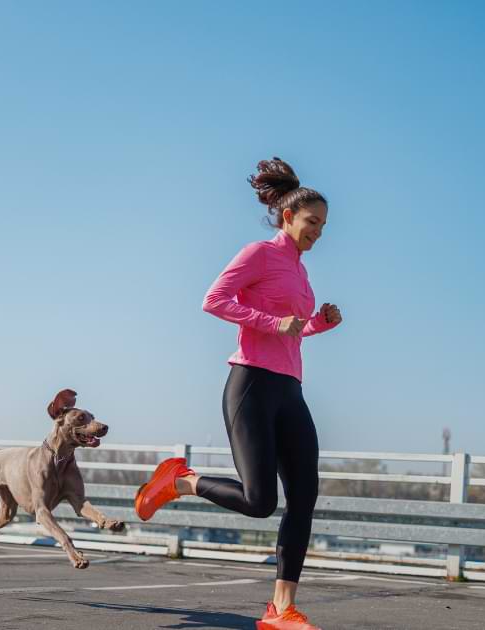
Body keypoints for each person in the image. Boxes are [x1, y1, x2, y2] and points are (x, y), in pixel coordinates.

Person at [135, 157, 343, 630]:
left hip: (291, 390)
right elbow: (214, 300)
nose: (319, 232)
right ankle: (179, 482)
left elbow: (292, 332)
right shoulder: (258, 253)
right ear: (288, 216)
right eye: (313, 222)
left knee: (304, 497)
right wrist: (274, 321)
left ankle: (280, 608)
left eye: (324, 226)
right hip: (251, 384)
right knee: (259, 502)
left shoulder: (301, 272)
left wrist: (318, 324)